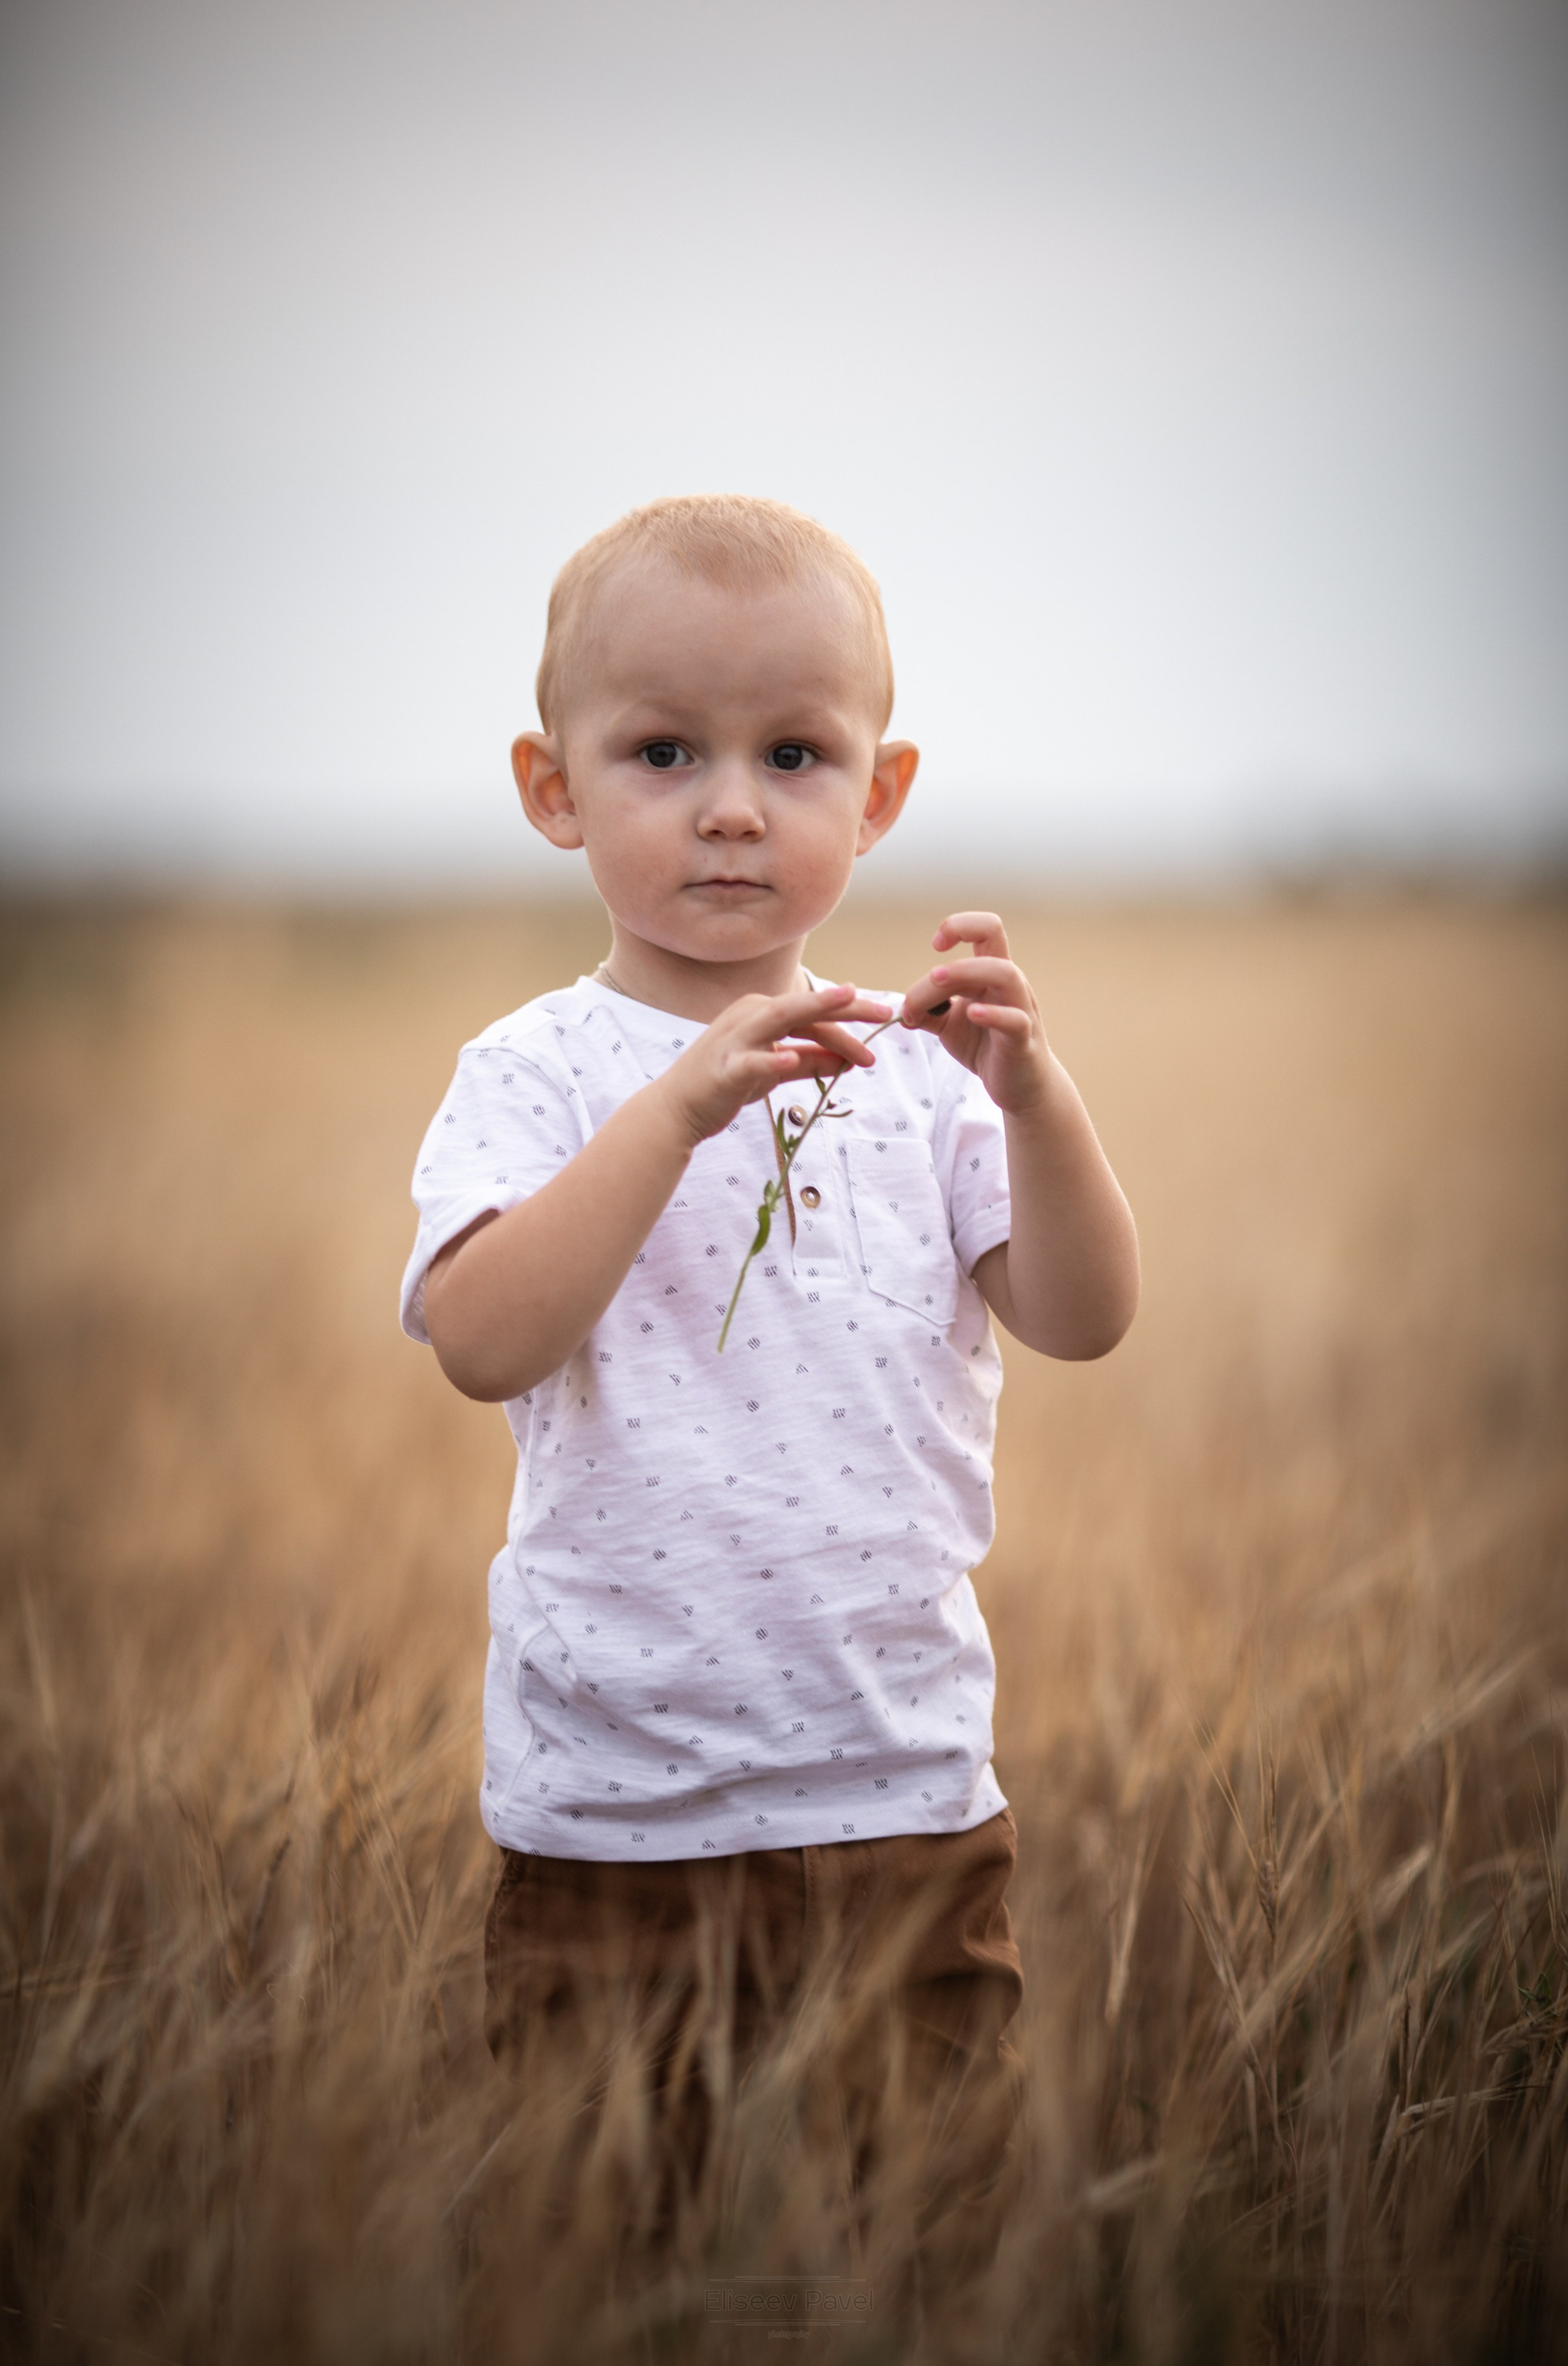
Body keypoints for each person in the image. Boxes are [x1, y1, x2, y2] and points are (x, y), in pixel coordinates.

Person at [399, 494, 1139, 2308]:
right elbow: (484, 1338)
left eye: (794, 755)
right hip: (619, 1819)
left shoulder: (922, 1076)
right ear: (553, 788)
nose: (733, 806)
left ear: (878, 797)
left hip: (906, 1795)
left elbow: (1084, 1317)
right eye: (664, 752)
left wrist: (1036, 1100)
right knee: (613, 2275)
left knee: (915, 2273)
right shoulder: (539, 1070)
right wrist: (672, 1112)